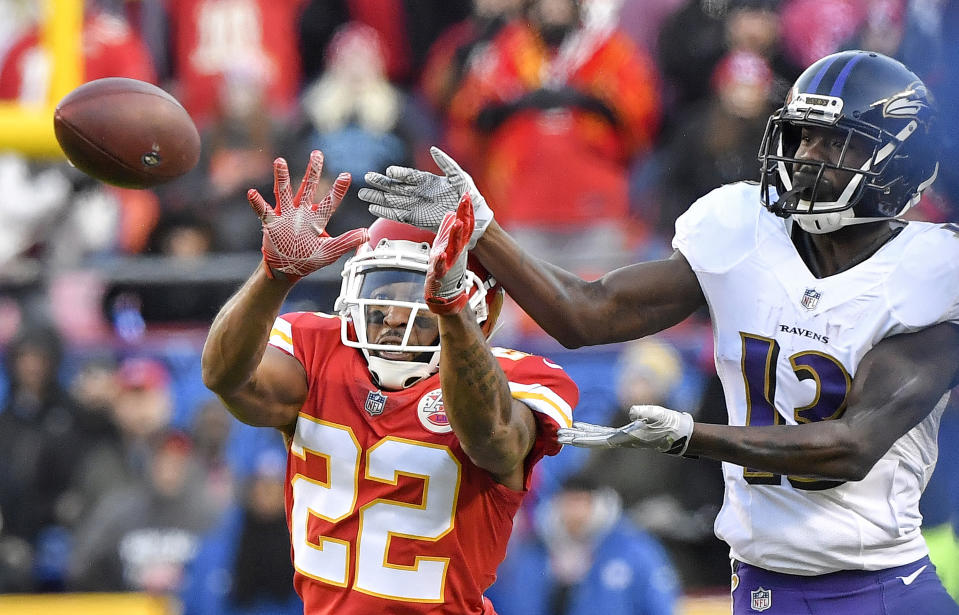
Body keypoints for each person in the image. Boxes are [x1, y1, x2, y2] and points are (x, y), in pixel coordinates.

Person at [359, 49, 959, 613]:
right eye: (806, 135)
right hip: (760, 584)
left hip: (879, 589)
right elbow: (586, 314)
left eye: (838, 143)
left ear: (900, 165)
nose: (808, 157)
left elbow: (850, 447)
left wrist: (688, 435)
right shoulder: (743, 228)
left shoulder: (932, 275)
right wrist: (483, 228)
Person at [200, 149, 578, 614]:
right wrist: (272, 278)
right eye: (382, 292)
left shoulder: (514, 381)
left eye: (417, 294)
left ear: (480, 306)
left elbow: (493, 440)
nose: (394, 315)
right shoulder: (316, 351)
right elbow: (225, 378)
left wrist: (450, 310)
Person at [487, 472, 679, 615]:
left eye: (582, 503)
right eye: (568, 503)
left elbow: (660, 604)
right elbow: (511, 602)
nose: (575, 513)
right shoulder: (535, 550)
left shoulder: (633, 549)